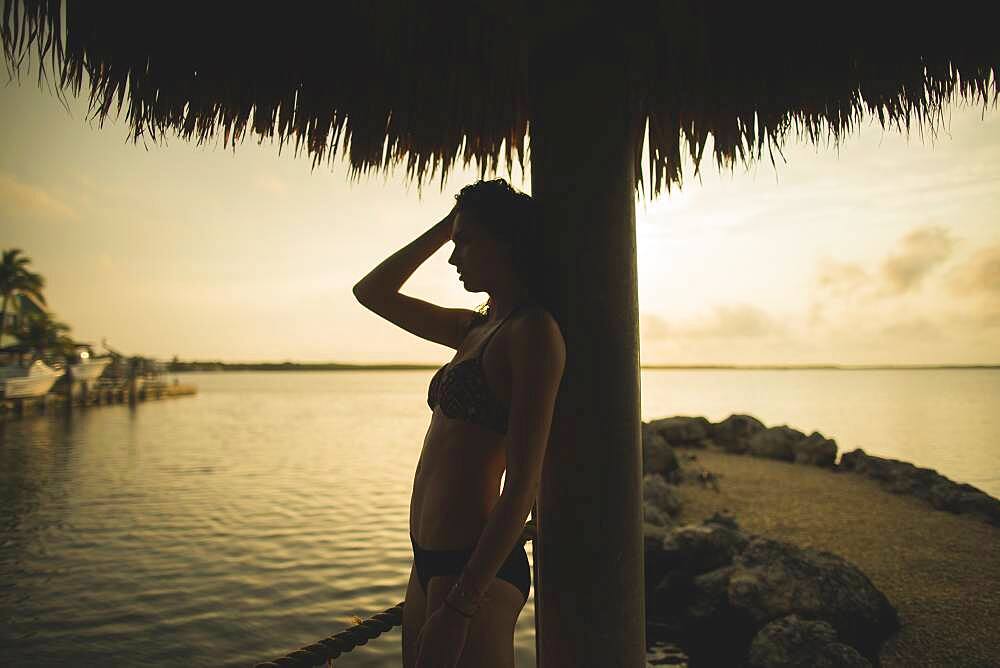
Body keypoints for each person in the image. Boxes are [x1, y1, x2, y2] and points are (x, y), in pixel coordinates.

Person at [353, 178, 566, 667]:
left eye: (466, 242)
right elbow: (372, 292)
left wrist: (463, 604)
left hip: (475, 572)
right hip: (427, 563)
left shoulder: (531, 333)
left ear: (508, 241)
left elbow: (523, 486)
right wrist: (448, 227)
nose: (453, 258)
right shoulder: (473, 328)